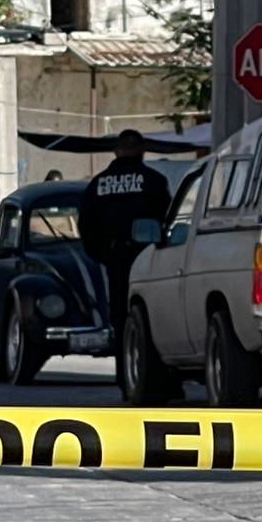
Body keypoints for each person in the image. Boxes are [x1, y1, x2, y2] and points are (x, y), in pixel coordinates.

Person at [78, 129, 171, 387]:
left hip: (116, 257)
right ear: (142, 150)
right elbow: (168, 221)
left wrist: (105, 255)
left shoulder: (98, 184)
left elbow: (86, 226)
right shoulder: (153, 180)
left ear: (116, 151)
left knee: (121, 318)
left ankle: (125, 377)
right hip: (150, 256)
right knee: (153, 315)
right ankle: (160, 378)